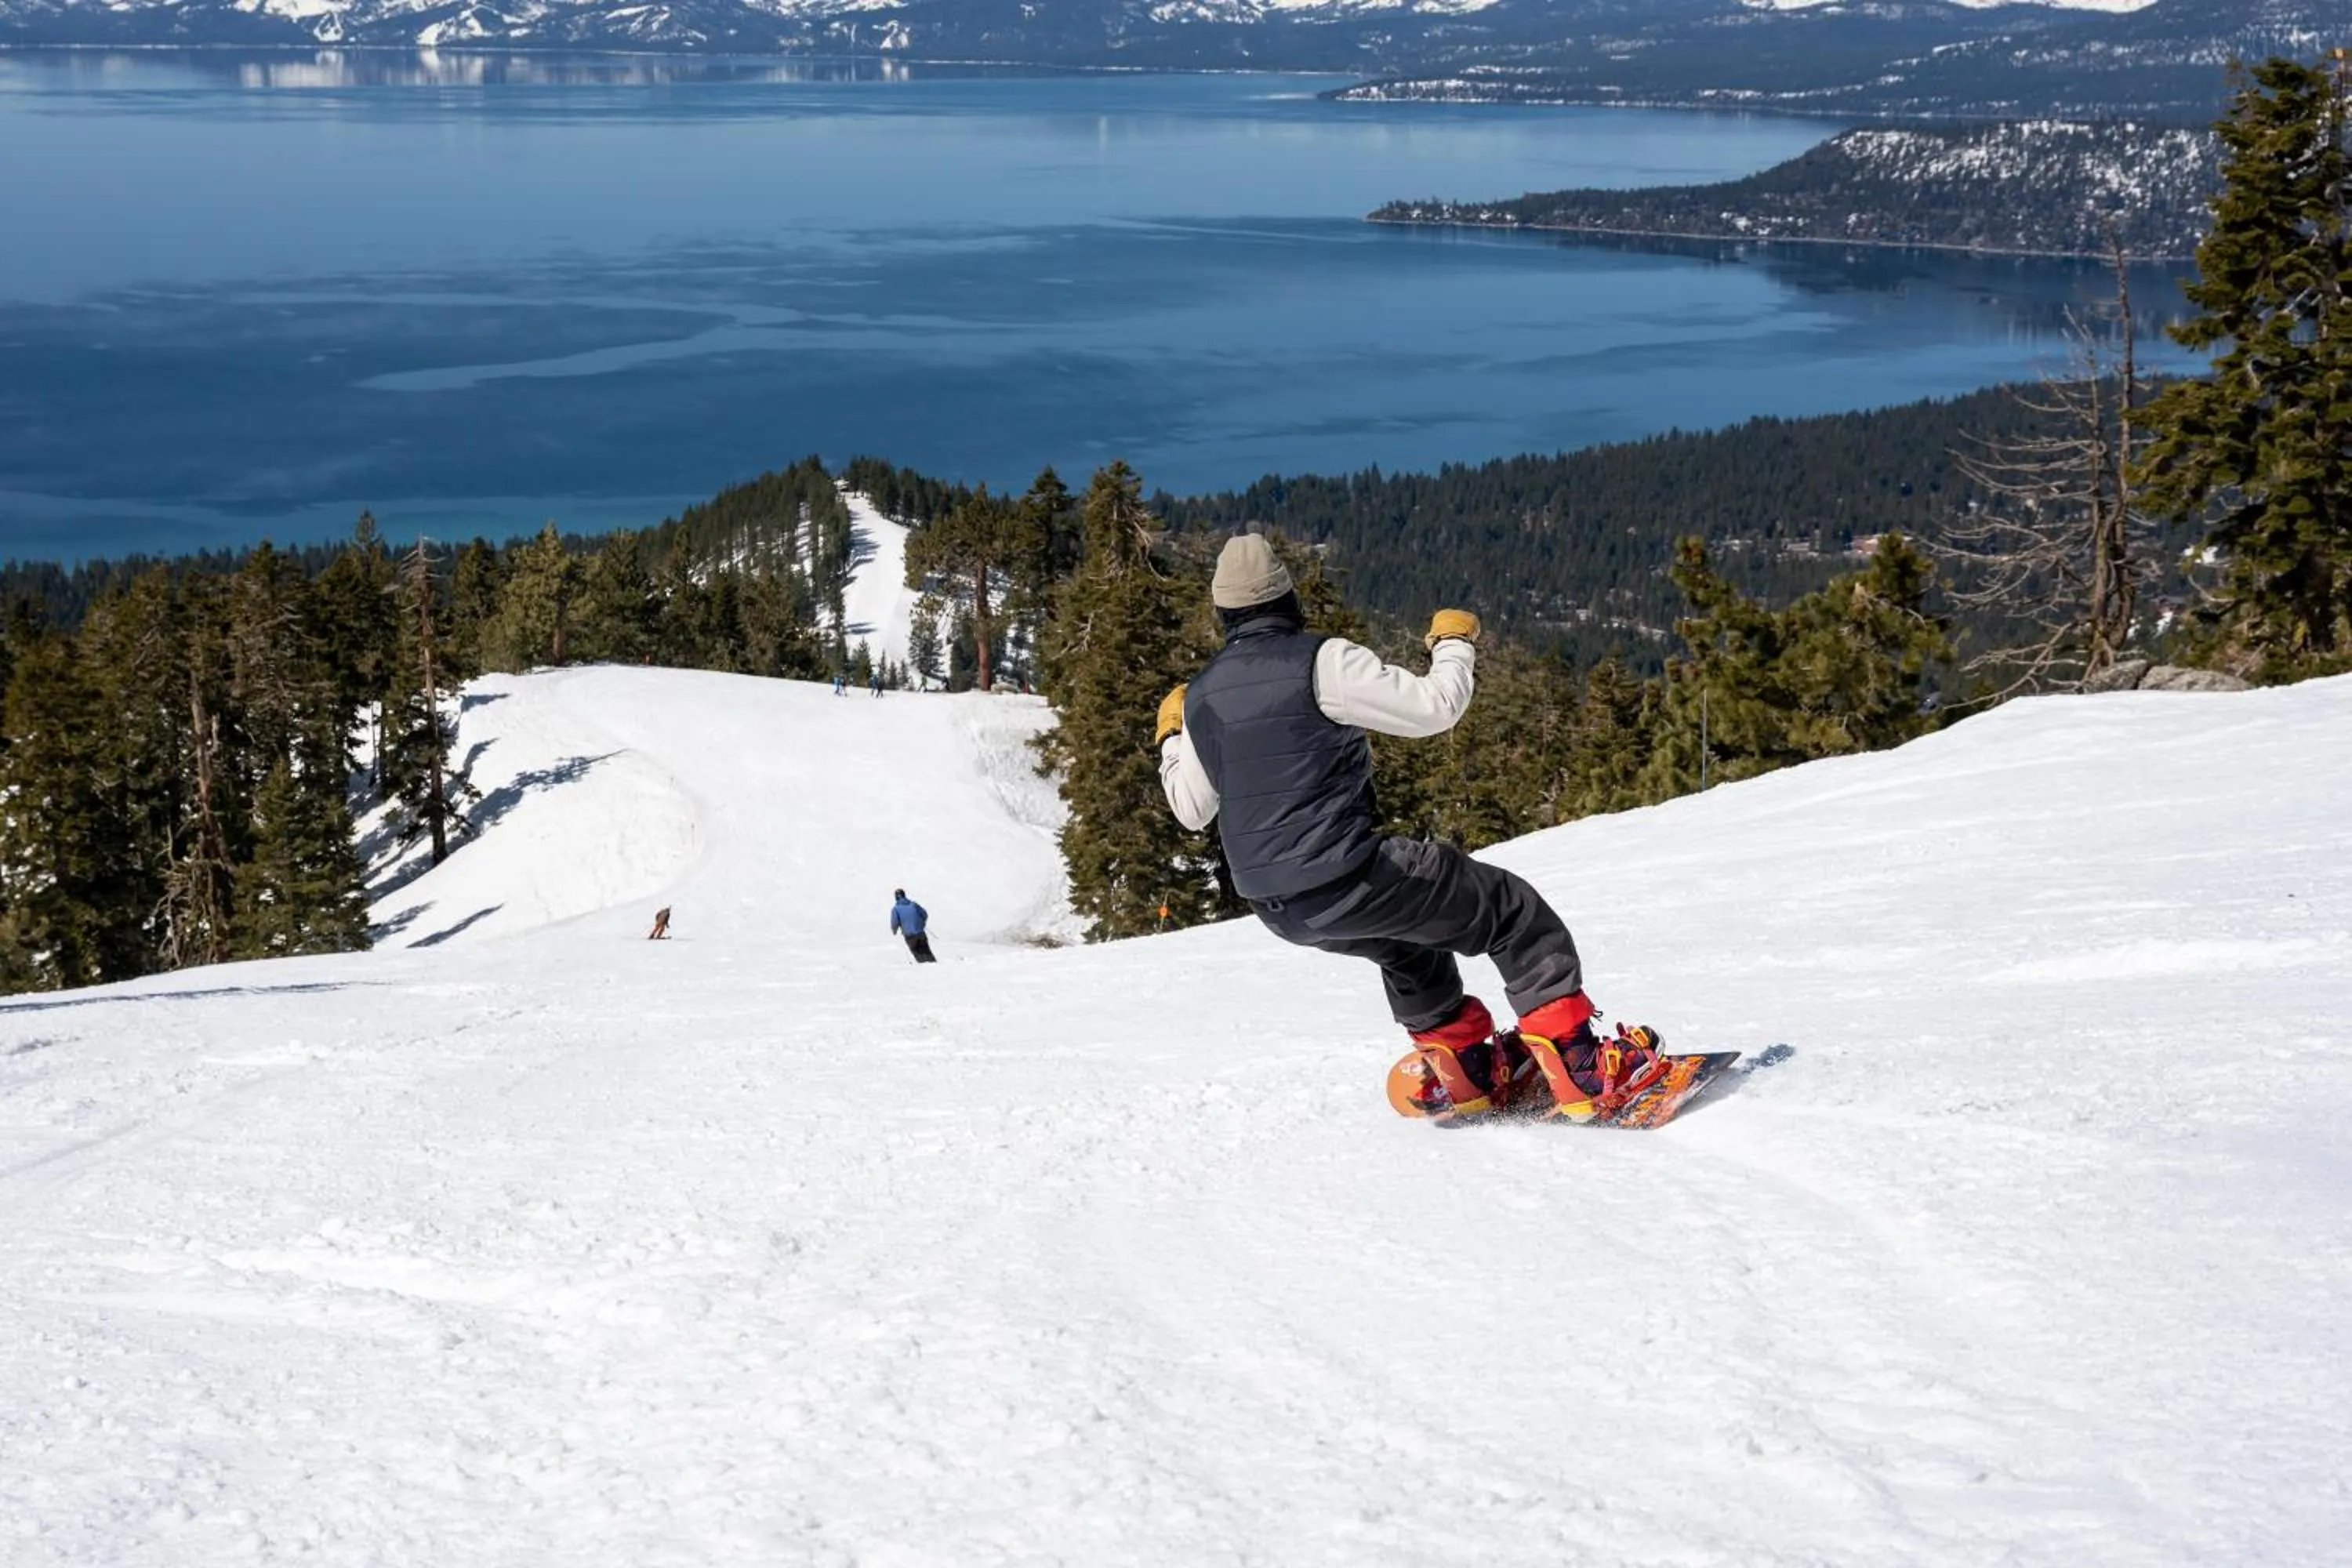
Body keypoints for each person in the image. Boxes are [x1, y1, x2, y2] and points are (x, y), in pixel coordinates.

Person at [1154, 534, 1658, 1123]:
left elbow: (1192, 809)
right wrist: (1454, 643)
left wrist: (1172, 740)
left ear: (1224, 615)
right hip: (1348, 874)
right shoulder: (1321, 661)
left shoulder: (1203, 697)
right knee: (1512, 912)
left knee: (1407, 948)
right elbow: (1434, 708)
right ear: (1288, 601)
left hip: (1279, 908)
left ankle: (1466, 1069)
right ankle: (1583, 1072)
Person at [890, 887, 935, 963]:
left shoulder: (896, 909)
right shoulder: (914, 905)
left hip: (909, 935)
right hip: (920, 932)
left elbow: (894, 923)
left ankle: (925, 969)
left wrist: (894, 931)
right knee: (926, 951)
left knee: (917, 953)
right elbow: (925, 914)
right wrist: (922, 923)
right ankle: (935, 966)